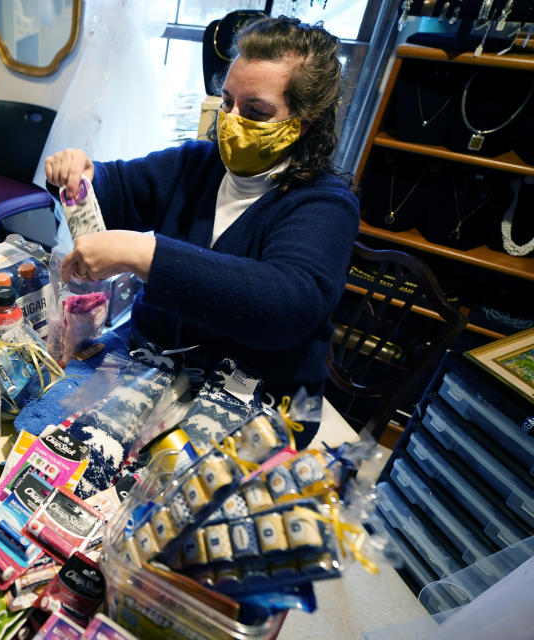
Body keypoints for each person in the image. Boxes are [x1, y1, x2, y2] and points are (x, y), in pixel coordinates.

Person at [44, 17, 359, 447]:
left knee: (180, 500)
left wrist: (147, 253)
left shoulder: (326, 206)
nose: (230, 120)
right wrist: (79, 174)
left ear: (305, 121)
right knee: (62, 444)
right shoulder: (196, 165)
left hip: (276, 395)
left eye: (256, 111)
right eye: (227, 100)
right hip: (160, 363)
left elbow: (284, 305)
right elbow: (115, 190)